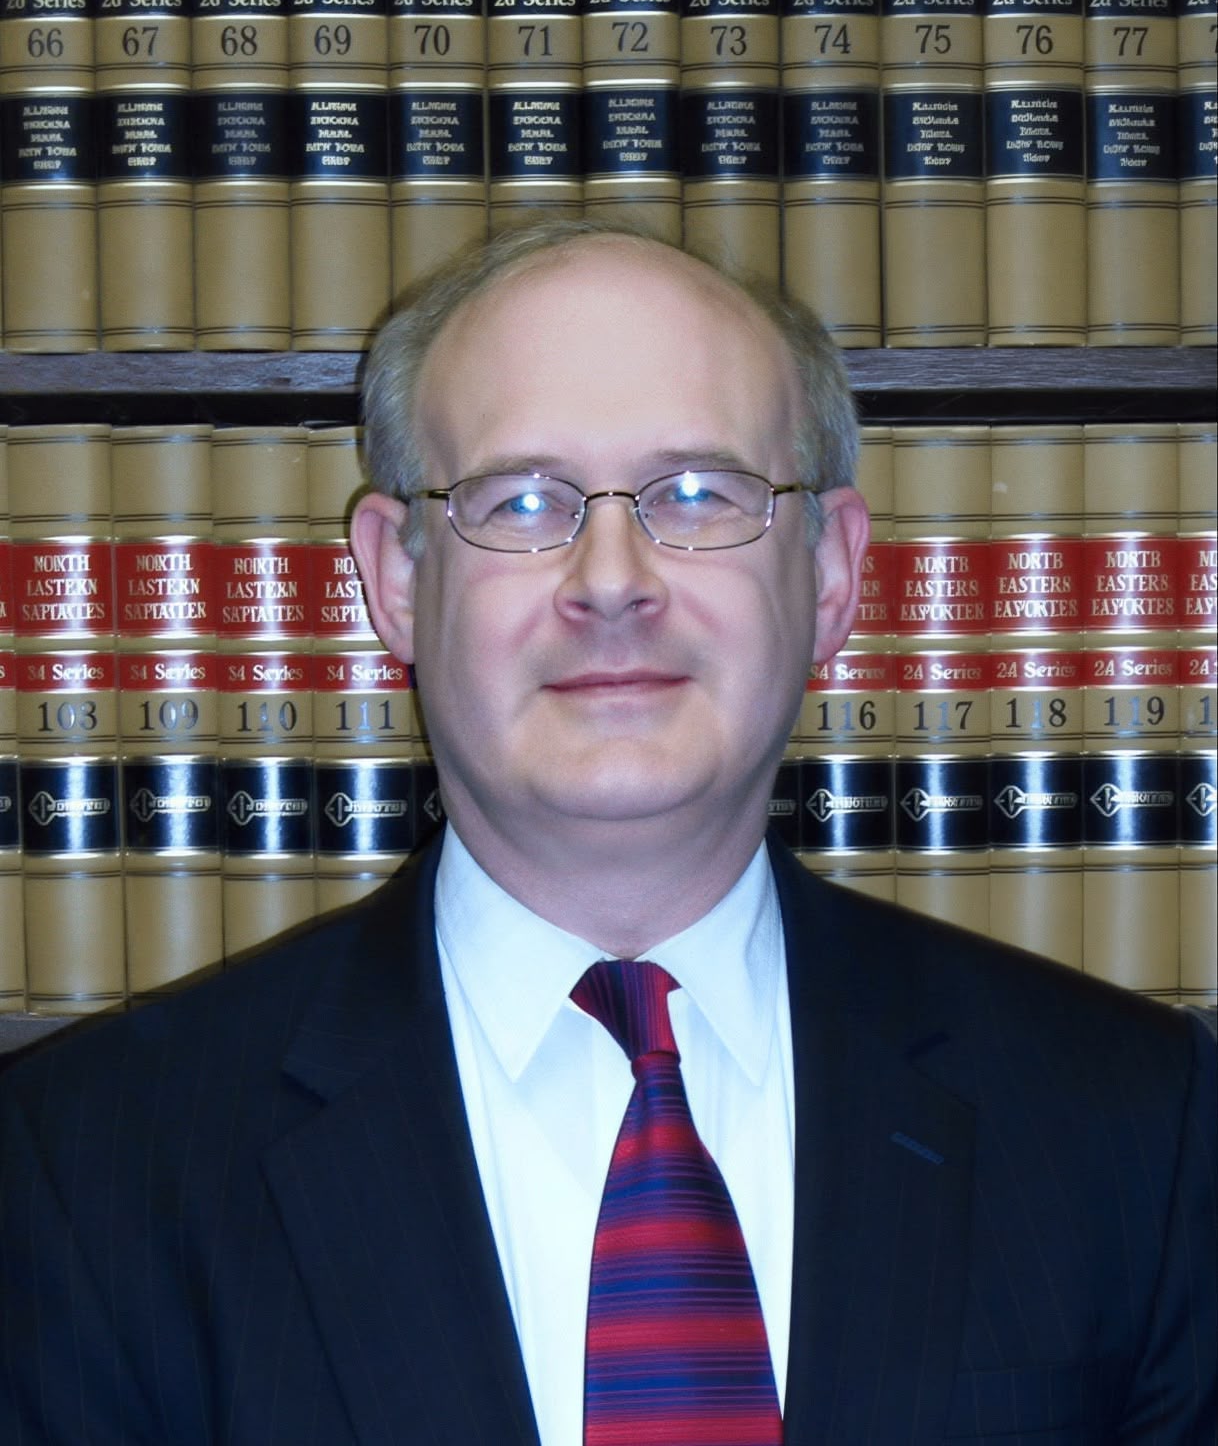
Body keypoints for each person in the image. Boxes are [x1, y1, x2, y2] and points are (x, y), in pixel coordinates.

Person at [0, 221, 1214, 1446]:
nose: (612, 578)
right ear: (398, 580)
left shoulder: (1136, 1130)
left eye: (699, 493)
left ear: (832, 573)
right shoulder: (85, 1169)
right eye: (523, 500)